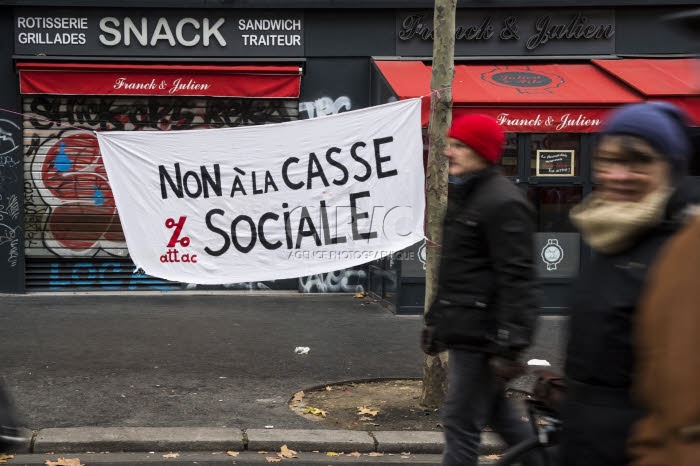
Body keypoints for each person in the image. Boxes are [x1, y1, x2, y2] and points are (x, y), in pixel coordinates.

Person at [561, 101, 698, 466]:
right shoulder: (609, 234)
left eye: (638, 161)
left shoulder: (683, 253)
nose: (619, 175)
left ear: (671, 168)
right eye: (607, 160)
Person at [421, 114, 542, 466]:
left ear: (481, 152)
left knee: (460, 422)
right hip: (469, 331)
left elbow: (519, 279)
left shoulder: (503, 202)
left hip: (484, 338)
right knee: (500, 417)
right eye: (449, 144)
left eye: (459, 146)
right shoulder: (469, 196)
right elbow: (459, 272)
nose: (447, 152)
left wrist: (510, 346)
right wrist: (435, 321)